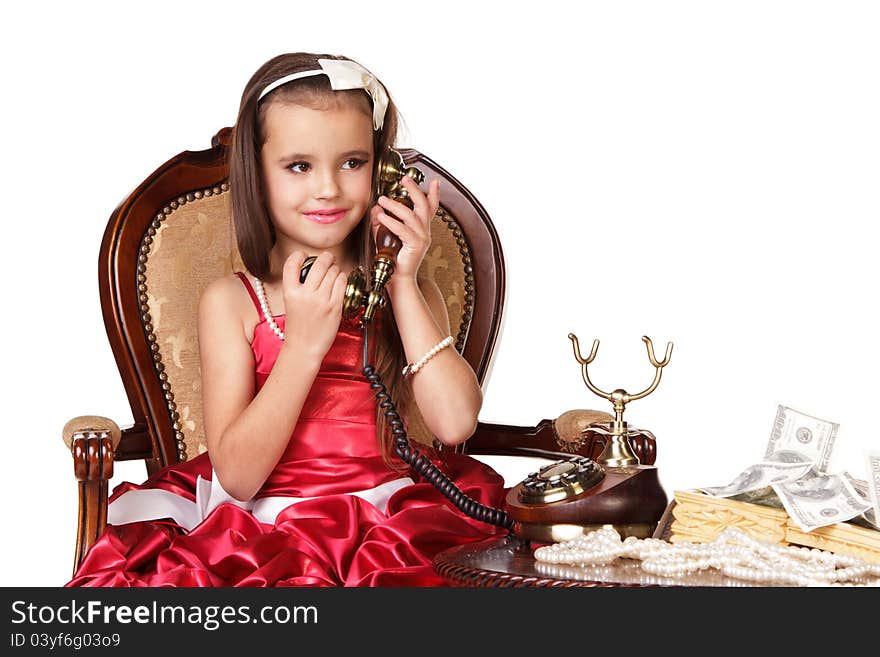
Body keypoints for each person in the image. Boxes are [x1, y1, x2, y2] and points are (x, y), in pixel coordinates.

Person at [66, 52, 508, 587]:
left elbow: (456, 423)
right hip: (264, 528)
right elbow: (239, 477)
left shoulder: (405, 290)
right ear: (258, 173)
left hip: (391, 521)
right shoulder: (232, 302)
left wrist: (403, 281)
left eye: (352, 163)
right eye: (299, 166)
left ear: (383, 169)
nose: (327, 188)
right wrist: (302, 348)